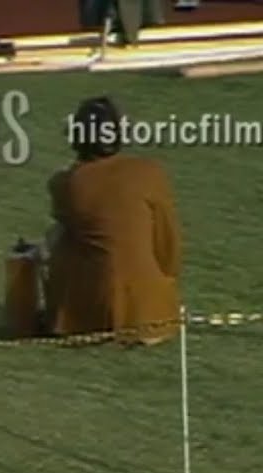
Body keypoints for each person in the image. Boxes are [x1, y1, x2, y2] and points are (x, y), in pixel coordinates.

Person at [42, 95, 183, 345]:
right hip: (153, 317)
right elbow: (167, 240)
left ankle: (64, 313)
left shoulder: (65, 183)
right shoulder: (150, 172)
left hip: (94, 318)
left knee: (58, 237)